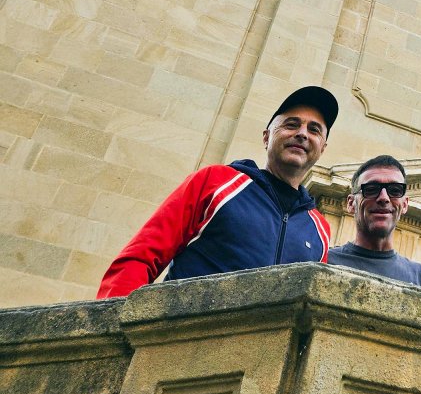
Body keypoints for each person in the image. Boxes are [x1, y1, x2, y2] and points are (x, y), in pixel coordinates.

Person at [97, 85, 337, 298]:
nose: (303, 133)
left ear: (322, 148)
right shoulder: (216, 182)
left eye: (314, 129)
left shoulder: (320, 229)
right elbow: (141, 257)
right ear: (266, 137)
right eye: (291, 124)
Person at [327, 155, 421, 287]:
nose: (383, 198)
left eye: (395, 190)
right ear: (351, 203)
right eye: (371, 189)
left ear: (405, 205)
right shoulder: (324, 262)